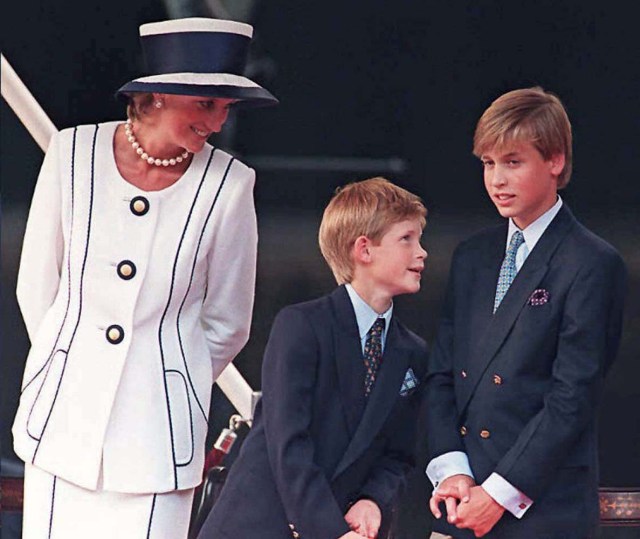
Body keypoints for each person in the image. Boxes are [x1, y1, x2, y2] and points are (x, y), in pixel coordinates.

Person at [11, 17, 277, 538]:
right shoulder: (71, 154)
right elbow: (36, 286)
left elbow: (228, 322)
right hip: (61, 424)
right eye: (206, 104)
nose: (218, 123)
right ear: (156, 95)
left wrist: (166, 381)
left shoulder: (230, 185)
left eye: (225, 107)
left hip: (158, 442)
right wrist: (69, 364)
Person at [424, 86, 627, 538]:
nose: (497, 179)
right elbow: (441, 375)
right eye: (488, 164)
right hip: (461, 503)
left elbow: (571, 398)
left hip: (542, 511)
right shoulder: (471, 256)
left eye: (512, 162)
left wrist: (497, 495)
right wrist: (453, 472)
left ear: (554, 161)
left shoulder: (592, 263)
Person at [196, 177, 429, 539]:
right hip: (263, 525)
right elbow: (288, 441)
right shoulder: (302, 326)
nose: (422, 252)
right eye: (407, 239)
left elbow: (398, 455)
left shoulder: (412, 351)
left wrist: (372, 500)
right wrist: (328, 530)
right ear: (364, 249)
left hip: (351, 528)